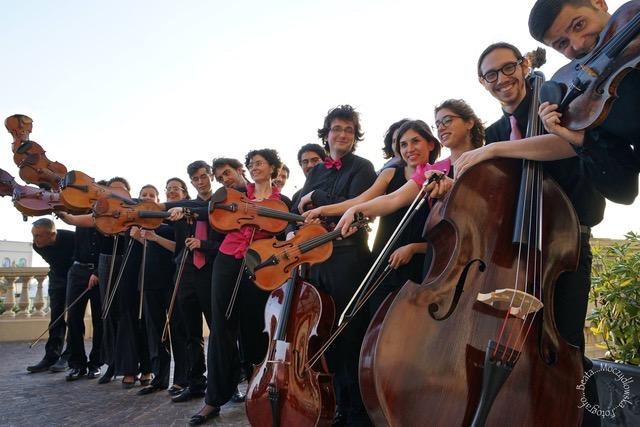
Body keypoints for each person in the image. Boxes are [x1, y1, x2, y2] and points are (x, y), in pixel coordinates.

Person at [474, 41, 605, 426]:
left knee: (568, 345)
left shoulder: (554, 102)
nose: (502, 79)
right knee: (518, 342)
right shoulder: (496, 132)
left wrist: (495, 151)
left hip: (564, 245)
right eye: (491, 75)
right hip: (516, 251)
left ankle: (588, 421)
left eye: (508, 67)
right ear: (483, 83)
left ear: (524, 65)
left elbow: (568, 146)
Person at [455, 1, 639, 204]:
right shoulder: (588, 101)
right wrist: (582, 141)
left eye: (579, 25)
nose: (577, 44)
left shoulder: (562, 106)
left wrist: (496, 149)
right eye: (562, 44)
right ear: (482, 82)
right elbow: (624, 190)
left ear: (599, 3)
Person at [291, 105, 377, 426]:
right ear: (326, 134)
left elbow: (355, 206)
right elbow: (298, 207)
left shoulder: (363, 167)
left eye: (349, 130)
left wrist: (316, 197)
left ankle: (359, 412)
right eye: (337, 129)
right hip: (317, 259)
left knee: (350, 333)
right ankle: (340, 404)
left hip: (347, 257)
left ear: (355, 136)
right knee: (325, 334)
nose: (342, 135)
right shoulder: (317, 170)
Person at [304, 118, 442, 314]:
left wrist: (414, 248)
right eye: (403, 144)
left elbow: (445, 236)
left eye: (415, 141)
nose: (409, 149)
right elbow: (363, 200)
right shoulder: (390, 174)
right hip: (384, 258)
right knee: (377, 318)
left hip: (422, 263)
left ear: (431, 144)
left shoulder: (439, 176)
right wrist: (324, 210)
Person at [188, 148, 284, 425]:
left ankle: (258, 393)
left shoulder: (282, 202)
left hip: (259, 264)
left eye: (259, 163)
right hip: (227, 259)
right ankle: (213, 399)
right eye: (251, 164)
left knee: (255, 328)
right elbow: (210, 212)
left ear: (272, 167)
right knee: (221, 327)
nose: (254, 167)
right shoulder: (237, 196)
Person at [164, 161, 222, 403]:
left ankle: (225, 385)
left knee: (219, 332)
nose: (201, 181)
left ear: (211, 177)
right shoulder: (181, 208)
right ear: (191, 182)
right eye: (195, 179)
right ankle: (196, 383)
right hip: (186, 273)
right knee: (191, 334)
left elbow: (229, 245)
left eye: (204, 176)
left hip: (212, 272)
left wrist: (203, 245)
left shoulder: (222, 205)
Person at [27, 218, 75, 373]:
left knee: (74, 319)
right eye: (33, 235)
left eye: (38, 236)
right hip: (57, 279)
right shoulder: (38, 246)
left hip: (75, 277)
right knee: (56, 319)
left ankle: (69, 356)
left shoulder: (72, 238)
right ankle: (51, 357)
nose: (34, 240)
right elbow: (58, 263)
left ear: (52, 234)